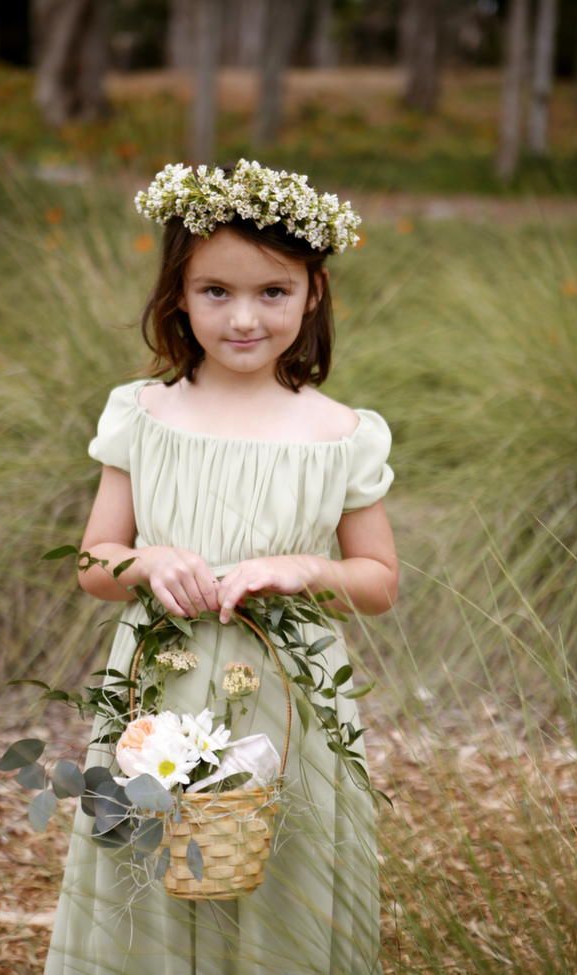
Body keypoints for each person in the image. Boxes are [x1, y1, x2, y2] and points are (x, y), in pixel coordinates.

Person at [44, 159, 398, 975]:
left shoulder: (340, 432)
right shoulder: (144, 413)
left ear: (313, 291)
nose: (244, 317)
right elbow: (95, 562)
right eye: (216, 292)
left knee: (277, 855)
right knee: (149, 855)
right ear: (178, 293)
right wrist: (147, 558)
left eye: (272, 292)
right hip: (156, 687)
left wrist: (301, 567)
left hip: (286, 694)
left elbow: (378, 580)